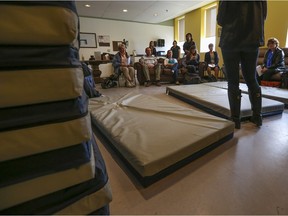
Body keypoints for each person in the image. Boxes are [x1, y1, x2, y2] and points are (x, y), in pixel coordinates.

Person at [217, 1, 267, 128]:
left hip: (231, 38)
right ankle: (257, 117)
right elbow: (263, 16)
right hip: (253, 38)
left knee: (233, 81)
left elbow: (221, 19)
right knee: (251, 78)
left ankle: (235, 120)